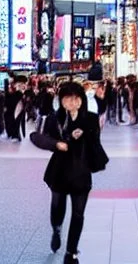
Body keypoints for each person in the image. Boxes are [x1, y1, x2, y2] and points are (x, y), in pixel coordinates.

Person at [30, 82, 105, 264]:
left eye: (76, 99)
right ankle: (56, 229)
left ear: (81, 100)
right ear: (61, 101)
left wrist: (85, 134)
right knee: (58, 206)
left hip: (81, 172)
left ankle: (71, 252)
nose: (72, 103)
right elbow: (36, 137)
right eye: (68, 99)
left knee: (78, 213)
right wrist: (56, 144)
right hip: (60, 170)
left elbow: (94, 142)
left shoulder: (91, 119)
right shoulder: (53, 119)